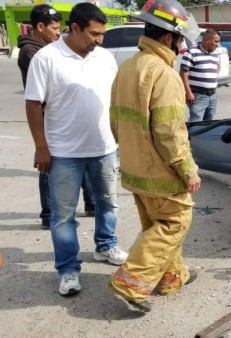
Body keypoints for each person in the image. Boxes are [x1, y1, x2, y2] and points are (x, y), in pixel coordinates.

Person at [24, 3, 127, 296]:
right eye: (94, 34)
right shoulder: (47, 58)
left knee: (108, 202)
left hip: (104, 147)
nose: (99, 40)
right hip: (63, 152)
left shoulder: (105, 58)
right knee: (63, 215)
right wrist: (41, 147)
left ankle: (105, 246)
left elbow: (115, 100)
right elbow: (33, 104)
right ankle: (68, 268)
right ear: (75, 28)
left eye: (102, 34)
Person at [109, 0, 202, 312]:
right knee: (175, 222)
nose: (181, 48)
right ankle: (130, 282)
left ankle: (171, 277)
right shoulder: (163, 73)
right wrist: (187, 169)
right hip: (161, 171)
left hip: (136, 169)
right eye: (180, 41)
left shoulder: (128, 67)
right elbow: (169, 129)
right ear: (167, 39)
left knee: (157, 224)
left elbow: (116, 121)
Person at [18, 5, 96, 230]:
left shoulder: (47, 48)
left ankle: (90, 203)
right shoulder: (33, 53)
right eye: (53, 28)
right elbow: (36, 98)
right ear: (40, 27)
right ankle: (48, 213)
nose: (57, 32)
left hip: (64, 117)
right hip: (49, 118)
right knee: (49, 164)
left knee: (79, 158)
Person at [180, 29, 220, 122]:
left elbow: (218, 65)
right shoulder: (192, 51)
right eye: (216, 41)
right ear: (207, 40)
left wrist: (212, 76)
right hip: (198, 97)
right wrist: (188, 92)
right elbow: (183, 72)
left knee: (208, 125)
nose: (217, 44)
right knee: (196, 125)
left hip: (213, 96)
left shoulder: (215, 52)